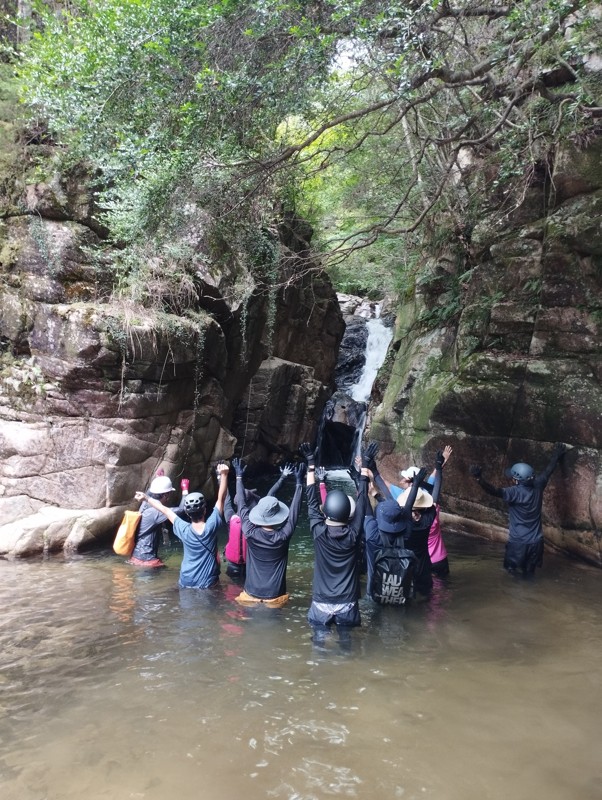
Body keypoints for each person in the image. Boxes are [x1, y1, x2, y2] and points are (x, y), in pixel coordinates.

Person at [300, 442, 369, 645]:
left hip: (321, 603)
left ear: (326, 510)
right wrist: (365, 467)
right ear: (347, 512)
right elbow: (363, 500)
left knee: (319, 647)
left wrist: (311, 464)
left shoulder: (319, 532)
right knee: (346, 646)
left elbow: (311, 501)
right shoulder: (354, 534)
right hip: (347, 603)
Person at [469, 443, 567, 576]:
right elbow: (547, 472)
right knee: (529, 575)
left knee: (511, 574)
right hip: (536, 543)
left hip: (518, 544)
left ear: (516, 480)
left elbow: (494, 491)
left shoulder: (513, 493)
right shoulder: (538, 485)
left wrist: (479, 479)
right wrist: (556, 456)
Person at [134, 463, 229, 588]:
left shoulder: (183, 528)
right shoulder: (212, 526)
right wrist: (224, 475)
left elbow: (165, 510)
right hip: (206, 583)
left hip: (185, 581)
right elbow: (220, 499)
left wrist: (146, 498)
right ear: (205, 510)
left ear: (188, 515)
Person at [232, 458, 304, 607]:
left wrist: (239, 477)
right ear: (278, 518)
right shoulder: (282, 537)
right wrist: (299, 483)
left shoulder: (250, 532)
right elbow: (294, 514)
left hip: (250, 594)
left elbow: (241, 503)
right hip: (274, 597)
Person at [223, 464, 295, 580]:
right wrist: (283, 477)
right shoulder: (254, 524)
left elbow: (225, 499)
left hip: (232, 568)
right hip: (251, 568)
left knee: (233, 594)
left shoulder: (230, 518)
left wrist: (221, 477)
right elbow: (270, 495)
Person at [129, 474, 189, 568]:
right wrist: (185, 491)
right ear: (166, 495)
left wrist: (158, 478)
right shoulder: (155, 512)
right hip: (146, 559)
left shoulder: (145, 503)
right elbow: (182, 509)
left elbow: (149, 493)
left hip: (137, 556)